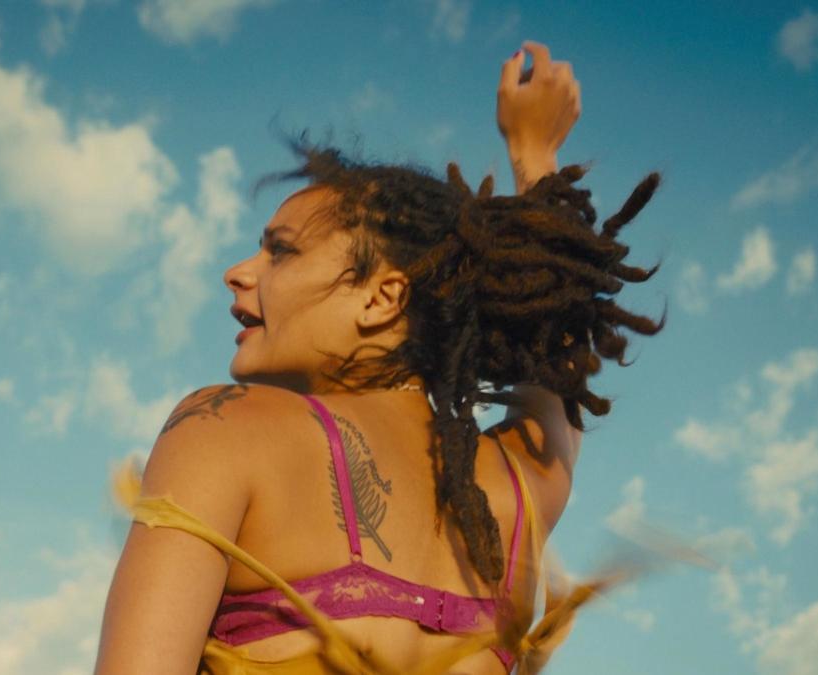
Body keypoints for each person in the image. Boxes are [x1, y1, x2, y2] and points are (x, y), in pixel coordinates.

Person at [96, 41, 665, 674]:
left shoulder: (225, 429)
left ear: (382, 297)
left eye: (281, 252)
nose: (238, 272)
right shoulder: (519, 490)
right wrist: (536, 153)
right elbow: (559, 345)